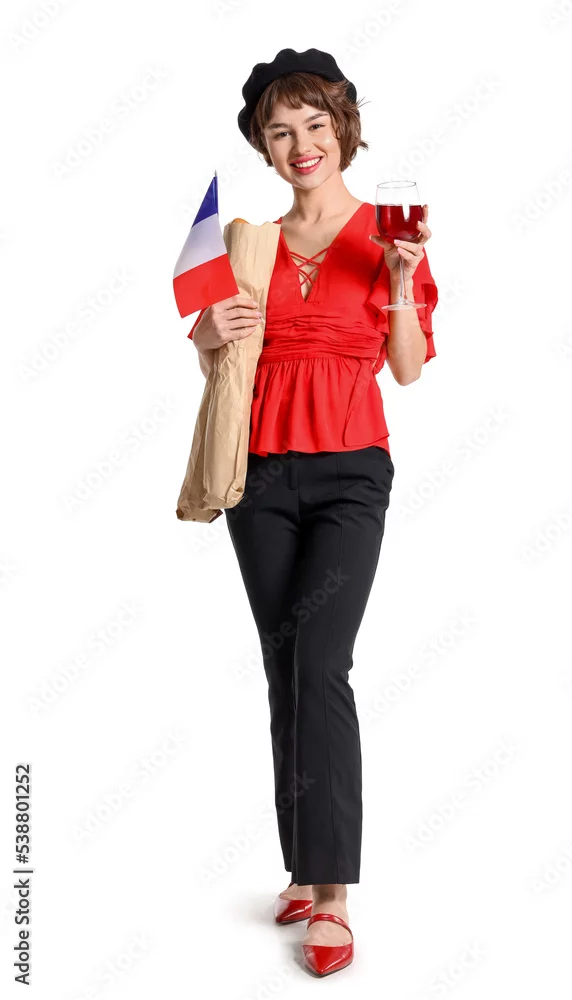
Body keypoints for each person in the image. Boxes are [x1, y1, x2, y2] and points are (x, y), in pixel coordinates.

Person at [188, 47, 438, 978]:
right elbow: (225, 366)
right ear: (264, 145)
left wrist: (403, 280)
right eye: (280, 130)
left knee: (322, 663)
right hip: (258, 478)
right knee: (283, 665)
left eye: (316, 125)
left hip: (349, 476)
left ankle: (332, 895)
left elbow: (406, 369)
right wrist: (206, 335)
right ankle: (303, 865)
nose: (301, 144)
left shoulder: (388, 235)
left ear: (343, 129)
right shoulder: (247, 243)